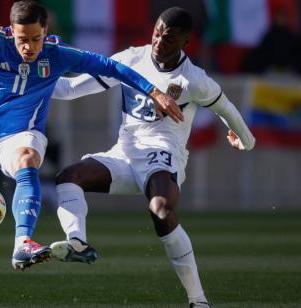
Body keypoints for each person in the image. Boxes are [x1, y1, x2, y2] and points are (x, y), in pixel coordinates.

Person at [0, 1, 182, 305]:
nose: (29, 46)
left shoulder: (57, 54)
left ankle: (22, 242)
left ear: (45, 31)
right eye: (22, 39)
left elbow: (111, 67)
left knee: (27, 158)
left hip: (24, 133)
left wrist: (153, 91)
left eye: (36, 38)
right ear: (11, 32)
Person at [48, 7, 255, 308]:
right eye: (157, 32)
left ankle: (198, 301)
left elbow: (227, 109)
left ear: (186, 42)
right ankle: (77, 241)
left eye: (169, 39)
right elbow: (68, 89)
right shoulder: (131, 58)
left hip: (163, 156)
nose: (159, 42)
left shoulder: (194, 79)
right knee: (68, 177)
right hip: (124, 154)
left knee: (161, 212)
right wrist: (30, 79)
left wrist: (246, 141)